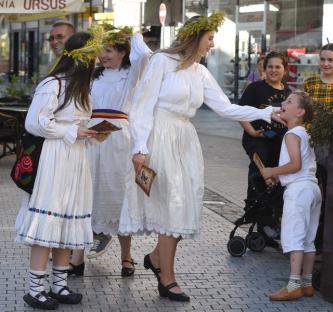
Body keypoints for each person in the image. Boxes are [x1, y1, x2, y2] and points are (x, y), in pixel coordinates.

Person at [119, 11, 283, 302]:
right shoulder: (161, 62)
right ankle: (167, 279)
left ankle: (157, 258)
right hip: (160, 136)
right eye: (209, 38)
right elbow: (142, 107)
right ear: (195, 37)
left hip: (185, 140)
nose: (212, 44)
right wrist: (140, 147)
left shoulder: (200, 71)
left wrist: (267, 112)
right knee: (172, 207)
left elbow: (226, 109)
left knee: (184, 207)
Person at [15, 32, 105, 310]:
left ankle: (59, 285)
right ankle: (35, 289)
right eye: (94, 53)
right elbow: (35, 122)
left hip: (75, 159)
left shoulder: (82, 87)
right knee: (50, 220)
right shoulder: (53, 84)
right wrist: (72, 131)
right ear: (82, 56)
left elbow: (75, 125)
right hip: (54, 159)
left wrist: (91, 134)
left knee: (68, 220)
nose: (99, 58)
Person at [68, 28, 152, 277]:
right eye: (100, 50)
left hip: (119, 139)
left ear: (122, 52)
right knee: (88, 193)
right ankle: (78, 257)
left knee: (120, 195)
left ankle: (127, 257)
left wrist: (134, 36)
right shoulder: (93, 77)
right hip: (92, 137)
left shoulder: (131, 74)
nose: (102, 55)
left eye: (108, 50)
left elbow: (146, 57)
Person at [259, 91, 321, 301]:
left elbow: (295, 164)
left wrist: (271, 171)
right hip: (312, 188)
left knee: (294, 236)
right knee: (308, 239)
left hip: (299, 190)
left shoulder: (291, 134)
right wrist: (278, 177)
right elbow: (300, 165)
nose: (283, 103)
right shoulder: (304, 133)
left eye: (289, 101)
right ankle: (307, 283)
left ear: (300, 112)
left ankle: (293, 284)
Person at [239, 51, 290, 239]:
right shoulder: (255, 88)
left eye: (278, 67)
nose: (274, 70)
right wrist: (251, 131)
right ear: (264, 68)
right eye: (270, 67)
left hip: (279, 141)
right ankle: (256, 214)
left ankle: (270, 219)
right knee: (260, 170)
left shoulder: (288, 92)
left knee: (277, 178)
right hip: (257, 138)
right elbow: (240, 112)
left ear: (285, 70)